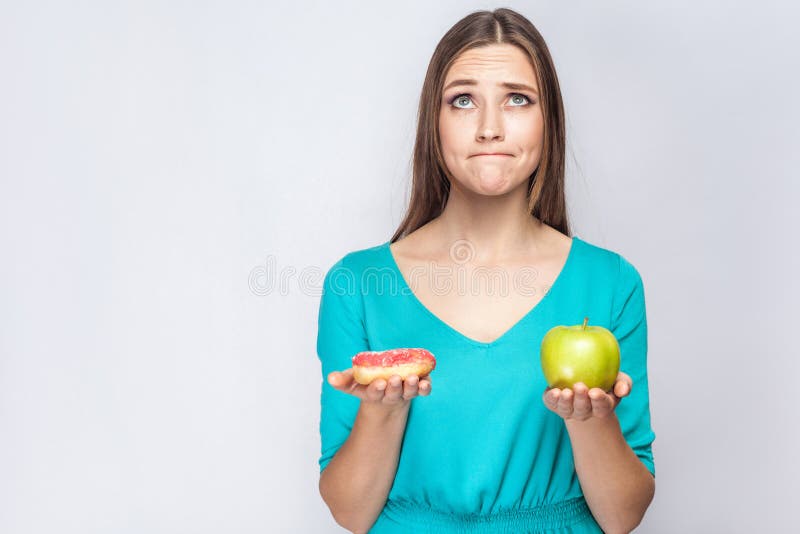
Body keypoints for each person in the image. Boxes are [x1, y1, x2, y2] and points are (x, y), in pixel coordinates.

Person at [316, 8, 656, 534]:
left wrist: (591, 421)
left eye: (518, 99)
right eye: (463, 100)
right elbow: (349, 511)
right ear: (435, 120)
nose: (490, 127)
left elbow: (622, 516)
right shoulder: (357, 285)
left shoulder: (611, 283)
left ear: (550, 121)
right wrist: (383, 410)